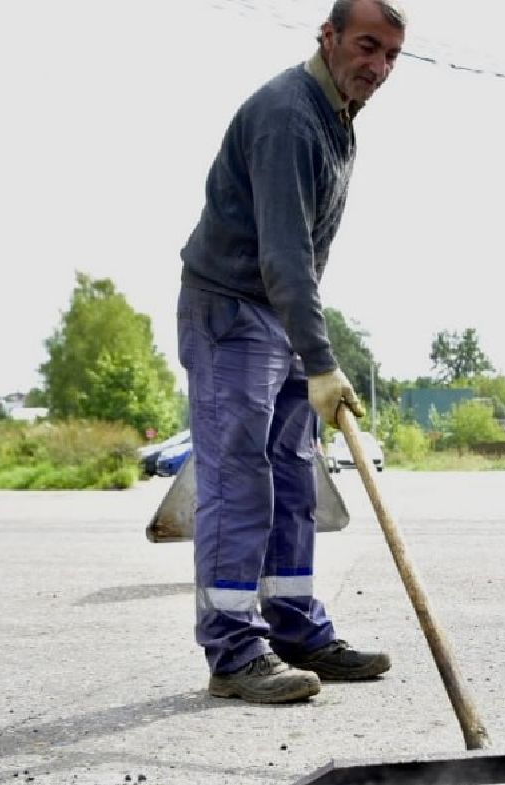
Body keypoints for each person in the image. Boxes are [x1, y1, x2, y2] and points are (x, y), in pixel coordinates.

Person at [175, 0, 404, 704]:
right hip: (232, 311)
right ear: (328, 36)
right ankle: (234, 652)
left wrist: (305, 351)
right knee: (238, 481)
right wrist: (322, 359)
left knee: (292, 479)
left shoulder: (336, 117)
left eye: (391, 56)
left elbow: (301, 254)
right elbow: (284, 253)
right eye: (366, 46)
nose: (378, 66)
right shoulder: (288, 116)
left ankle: (296, 630)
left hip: (274, 314)